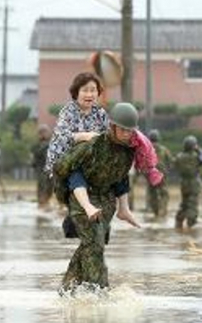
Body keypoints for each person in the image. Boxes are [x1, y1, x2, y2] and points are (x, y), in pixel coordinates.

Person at [46, 71, 162, 220]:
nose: (89, 94)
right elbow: (61, 137)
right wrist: (84, 136)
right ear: (76, 93)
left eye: (93, 90)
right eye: (85, 90)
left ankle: (124, 209)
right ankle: (87, 206)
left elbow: (109, 133)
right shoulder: (68, 112)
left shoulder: (99, 112)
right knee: (76, 174)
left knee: (119, 165)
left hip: (90, 157)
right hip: (67, 160)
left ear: (98, 93)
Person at [53, 103, 142, 293]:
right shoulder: (93, 145)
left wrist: (123, 209)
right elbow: (61, 168)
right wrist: (69, 195)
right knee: (95, 245)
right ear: (113, 126)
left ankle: (67, 289)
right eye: (123, 129)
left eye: (130, 130)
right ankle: (99, 293)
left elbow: (121, 178)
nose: (127, 133)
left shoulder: (128, 151)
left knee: (92, 243)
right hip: (82, 197)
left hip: (106, 201)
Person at [174, 135, 202, 228]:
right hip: (194, 183)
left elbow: (175, 165)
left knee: (184, 203)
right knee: (193, 204)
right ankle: (191, 224)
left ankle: (179, 221)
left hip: (183, 183)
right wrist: (198, 149)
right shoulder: (196, 156)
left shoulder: (179, 156)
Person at [146, 129, 174, 218]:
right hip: (161, 174)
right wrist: (167, 170)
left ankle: (156, 211)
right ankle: (163, 210)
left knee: (152, 193)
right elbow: (170, 161)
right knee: (164, 193)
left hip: (150, 174)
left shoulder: (146, 149)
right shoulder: (164, 149)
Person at [31, 124, 54, 208]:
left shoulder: (52, 142)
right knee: (42, 186)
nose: (44, 134)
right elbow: (35, 156)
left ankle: (47, 200)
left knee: (50, 186)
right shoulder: (37, 145)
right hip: (41, 168)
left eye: (45, 132)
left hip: (51, 169)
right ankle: (42, 202)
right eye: (41, 132)